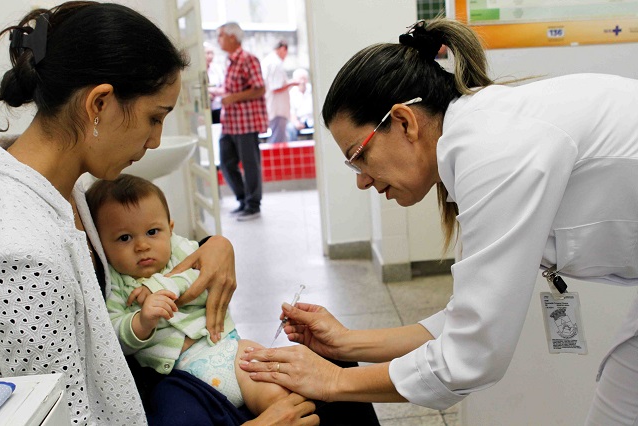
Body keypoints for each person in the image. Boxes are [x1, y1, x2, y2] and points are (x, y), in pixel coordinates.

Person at [238, 17, 638, 425]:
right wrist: (346, 344)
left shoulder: (492, 152)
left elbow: (471, 356)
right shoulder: (479, 138)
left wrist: (333, 382)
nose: (360, 180)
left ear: (404, 122)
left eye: (358, 156)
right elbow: (467, 316)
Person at [0, 3, 318, 425]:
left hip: (152, 385)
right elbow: (60, 414)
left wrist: (212, 246)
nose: (155, 140)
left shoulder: (69, 189)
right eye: (154, 118)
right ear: (99, 104)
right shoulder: (23, 255)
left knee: (322, 376)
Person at [86, 174, 289, 416]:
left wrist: (162, 285)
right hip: (177, 375)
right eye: (124, 238)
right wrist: (141, 322)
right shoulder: (116, 282)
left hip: (226, 350)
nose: (141, 246)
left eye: (152, 232)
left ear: (170, 230)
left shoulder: (182, 251)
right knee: (176, 413)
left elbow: (205, 280)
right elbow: (112, 334)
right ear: (99, 244)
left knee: (274, 389)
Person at [216, 22, 267, 221]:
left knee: (250, 164)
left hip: (246, 123)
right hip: (229, 123)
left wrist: (233, 97)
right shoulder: (229, 61)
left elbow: (259, 88)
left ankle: (253, 205)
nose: (218, 39)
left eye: (220, 35)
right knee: (226, 163)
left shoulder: (248, 59)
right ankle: (243, 200)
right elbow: (232, 90)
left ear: (232, 37)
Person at [262, 40, 298, 143]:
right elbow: (276, 87)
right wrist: (292, 83)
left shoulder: (269, 61)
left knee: (279, 138)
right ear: (283, 49)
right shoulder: (275, 63)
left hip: (275, 107)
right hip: (277, 108)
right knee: (277, 141)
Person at [287, 68, 314, 141]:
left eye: (304, 79)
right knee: (290, 128)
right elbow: (292, 112)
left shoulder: (312, 90)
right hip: (300, 121)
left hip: (313, 120)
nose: (302, 81)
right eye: (300, 79)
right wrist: (296, 123)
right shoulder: (292, 93)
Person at [205, 41, 225, 124]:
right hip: (205, 109)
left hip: (217, 107)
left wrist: (213, 92)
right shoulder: (198, 70)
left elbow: (224, 87)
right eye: (207, 53)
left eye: (212, 53)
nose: (210, 56)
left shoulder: (217, 69)